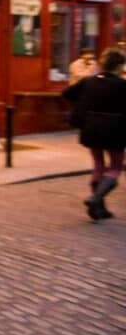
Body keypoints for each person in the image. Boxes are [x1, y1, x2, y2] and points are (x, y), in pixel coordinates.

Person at [62, 47, 126, 220]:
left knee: (98, 165)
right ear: (119, 66)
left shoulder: (88, 82)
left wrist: (86, 100)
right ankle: (96, 198)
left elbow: (66, 93)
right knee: (115, 167)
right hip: (115, 130)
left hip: (91, 128)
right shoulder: (122, 85)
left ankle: (98, 209)